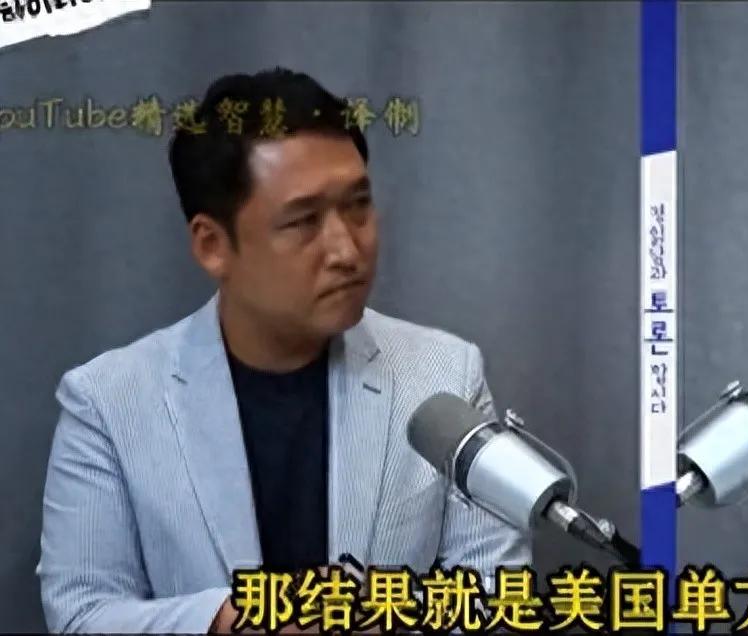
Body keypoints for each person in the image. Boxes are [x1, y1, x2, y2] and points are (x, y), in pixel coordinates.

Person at [36, 68, 531, 633]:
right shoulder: (107, 402)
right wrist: (244, 620)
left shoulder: (444, 375)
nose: (347, 250)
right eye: (303, 222)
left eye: (359, 205)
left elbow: (496, 600)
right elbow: (82, 613)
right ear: (212, 245)